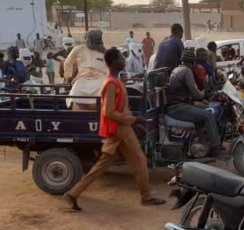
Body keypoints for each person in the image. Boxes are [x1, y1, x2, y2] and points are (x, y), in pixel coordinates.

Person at [62, 48, 167, 211]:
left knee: (102, 165)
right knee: (139, 160)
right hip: (120, 129)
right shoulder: (111, 83)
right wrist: (133, 119)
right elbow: (108, 112)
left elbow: (121, 108)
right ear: (112, 63)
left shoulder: (115, 81)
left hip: (120, 129)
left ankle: (73, 194)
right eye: (120, 58)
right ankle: (146, 197)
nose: (124, 61)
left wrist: (135, 122)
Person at [166, 48, 227, 158]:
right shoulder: (186, 71)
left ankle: (204, 142)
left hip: (176, 106)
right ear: (192, 62)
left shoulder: (177, 69)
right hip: (178, 107)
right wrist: (205, 92)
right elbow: (196, 94)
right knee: (208, 115)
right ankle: (215, 148)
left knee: (204, 111)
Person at [64, 30, 107, 110]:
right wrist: (68, 76)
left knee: (103, 92)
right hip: (82, 78)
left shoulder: (105, 51)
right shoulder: (78, 49)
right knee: (75, 92)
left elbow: (111, 67)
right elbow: (68, 62)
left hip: (100, 79)